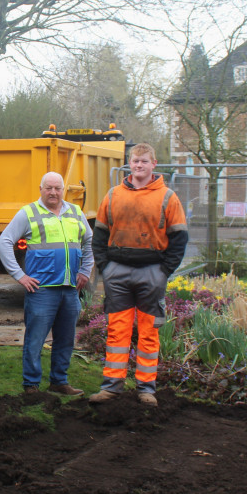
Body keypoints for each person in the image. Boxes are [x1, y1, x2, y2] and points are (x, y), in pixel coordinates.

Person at [89, 143, 188, 407]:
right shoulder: (113, 195)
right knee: (117, 331)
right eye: (135, 161)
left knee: (148, 333)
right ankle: (111, 387)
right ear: (129, 163)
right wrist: (106, 267)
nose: (139, 165)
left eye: (144, 161)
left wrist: (164, 271)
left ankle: (146, 389)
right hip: (117, 272)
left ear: (154, 164)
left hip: (152, 272)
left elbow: (179, 239)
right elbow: (99, 236)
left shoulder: (168, 197)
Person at [0, 171, 92, 396]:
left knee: (66, 339)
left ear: (62, 190)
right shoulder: (29, 213)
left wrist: (86, 271)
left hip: (69, 290)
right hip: (42, 290)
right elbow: (3, 242)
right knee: (35, 340)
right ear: (41, 189)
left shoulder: (75, 213)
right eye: (48, 188)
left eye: (57, 188)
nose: (53, 192)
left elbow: (88, 242)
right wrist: (20, 275)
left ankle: (59, 382)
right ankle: (31, 386)